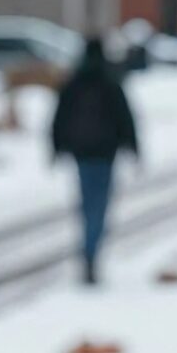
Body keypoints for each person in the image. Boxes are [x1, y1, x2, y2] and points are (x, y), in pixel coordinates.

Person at [48, 35, 136, 287]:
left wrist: (56, 147)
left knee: (87, 201)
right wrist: (132, 145)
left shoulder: (74, 82)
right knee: (100, 203)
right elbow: (125, 116)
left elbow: (59, 118)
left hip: (82, 153)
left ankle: (89, 244)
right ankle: (91, 246)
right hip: (105, 154)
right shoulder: (110, 81)